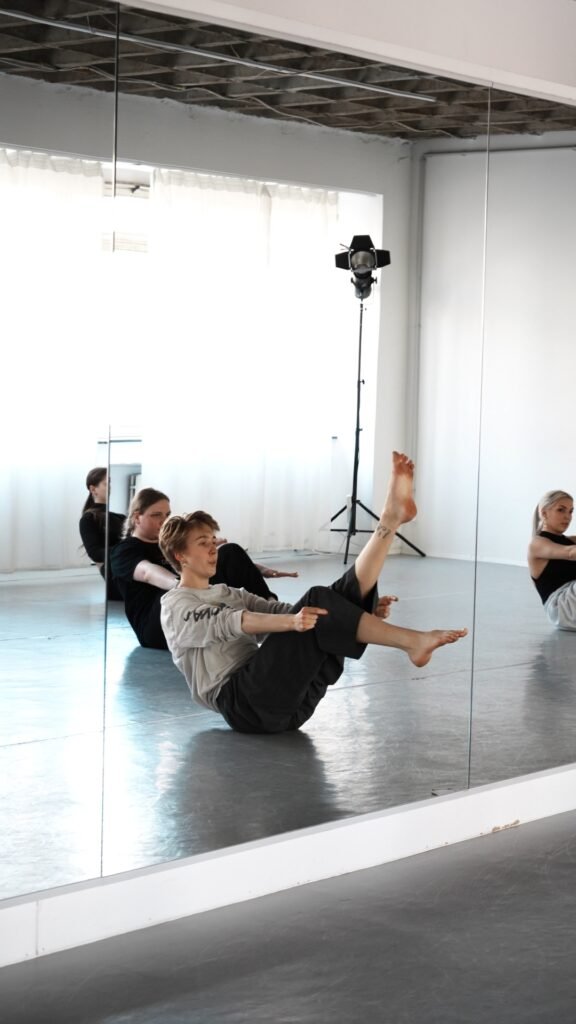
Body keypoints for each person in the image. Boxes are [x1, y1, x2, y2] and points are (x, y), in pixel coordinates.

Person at [158, 452, 468, 735]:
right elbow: (229, 622)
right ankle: (411, 641)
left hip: (291, 704)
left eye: (214, 541)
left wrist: (352, 613)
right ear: (180, 555)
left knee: (329, 601)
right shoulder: (175, 605)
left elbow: (286, 612)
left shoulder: (229, 593)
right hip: (245, 705)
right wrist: (295, 622)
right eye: (203, 543)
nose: (214, 548)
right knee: (316, 603)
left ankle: (390, 519)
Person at [111, 487, 298, 650]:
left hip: (187, 608)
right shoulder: (124, 550)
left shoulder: (167, 544)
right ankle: (274, 621)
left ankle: (274, 611)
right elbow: (148, 572)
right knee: (203, 568)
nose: (164, 520)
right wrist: (181, 585)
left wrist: (259, 570)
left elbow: (203, 561)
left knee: (229, 551)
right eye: (156, 515)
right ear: (137, 517)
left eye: (167, 515)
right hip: (156, 627)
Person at [528, 490, 576, 630]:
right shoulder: (537, 544)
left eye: (571, 511)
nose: (567, 517)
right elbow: (570, 553)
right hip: (561, 607)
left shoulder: (571, 540)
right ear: (544, 513)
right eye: (561, 510)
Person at [79, 467, 126, 600]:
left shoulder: (120, 517)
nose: (110, 487)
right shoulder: (88, 519)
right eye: (106, 483)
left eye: (110, 482)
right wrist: (125, 549)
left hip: (129, 564)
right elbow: (95, 553)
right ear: (93, 489)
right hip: (115, 572)